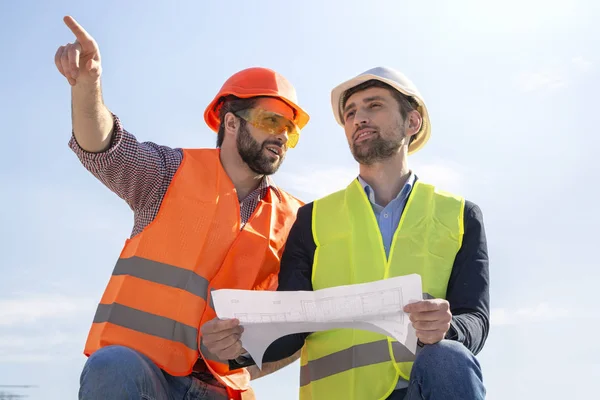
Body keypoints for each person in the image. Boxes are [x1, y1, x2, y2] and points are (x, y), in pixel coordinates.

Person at [54, 15, 310, 400]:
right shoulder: (168, 173)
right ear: (232, 123)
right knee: (111, 366)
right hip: (142, 375)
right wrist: (87, 86)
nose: (281, 136)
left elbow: (304, 327)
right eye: (270, 120)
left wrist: (245, 361)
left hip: (224, 390)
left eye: (290, 129)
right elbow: (104, 148)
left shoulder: (297, 220)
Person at [208, 66, 490, 400]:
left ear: (411, 122)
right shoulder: (311, 219)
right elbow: (291, 328)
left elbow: (475, 318)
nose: (359, 119)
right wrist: (238, 345)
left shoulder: (460, 215)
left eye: (374, 106)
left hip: (423, 388)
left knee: (449, 358)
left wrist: (450, 327)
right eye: (351, 113)